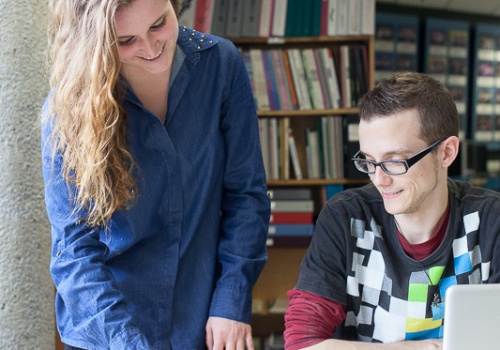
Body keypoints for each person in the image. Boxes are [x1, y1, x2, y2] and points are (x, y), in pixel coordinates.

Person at [41, 0, 270, 349]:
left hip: (202, 320)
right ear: (96, 42)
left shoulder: (220, 65)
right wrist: (127, 342)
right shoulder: (68, 107)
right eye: (125, 41)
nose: (150, 48)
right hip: (108, 329)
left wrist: (231, 299)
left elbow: (246, 195)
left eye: (159, 23)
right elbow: (74, 251)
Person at [284, 72, 500, 349]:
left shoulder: (491, 220)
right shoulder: (345, 217)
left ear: (447, 152)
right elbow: (302, 343)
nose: (379, 179)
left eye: (395, 162)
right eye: (369, 161)